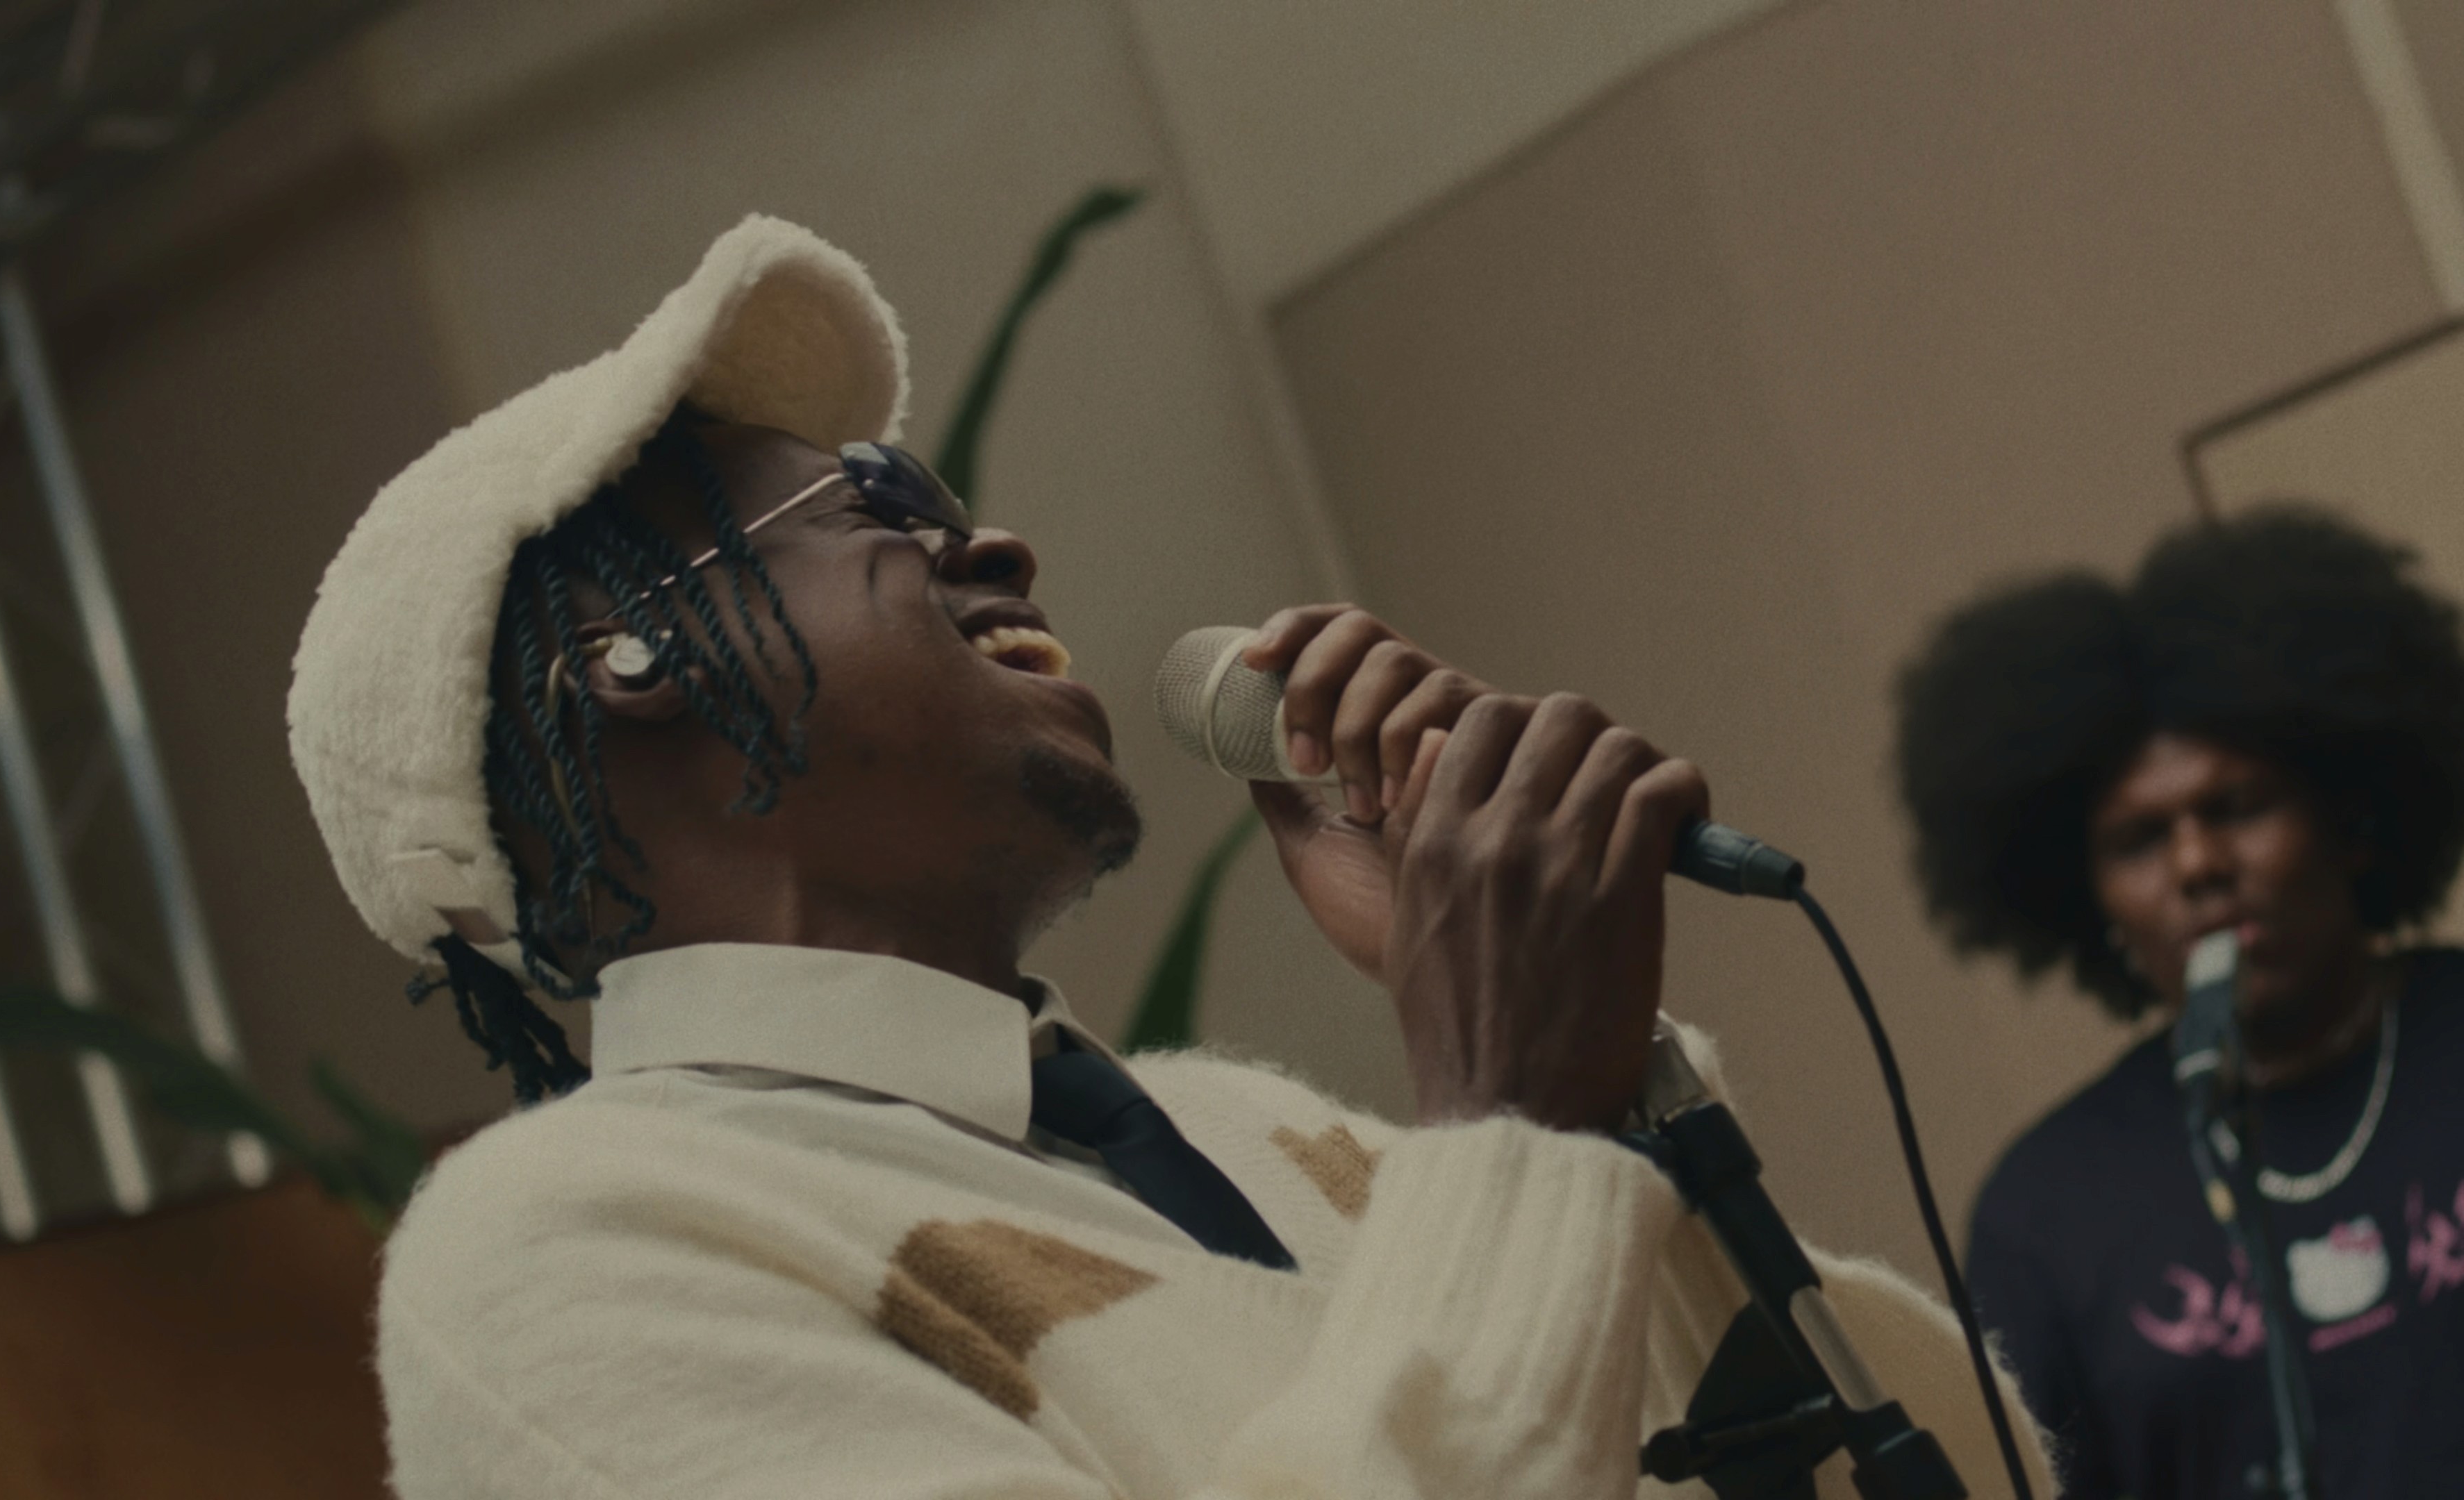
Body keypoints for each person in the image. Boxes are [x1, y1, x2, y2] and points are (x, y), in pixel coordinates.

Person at [290, 215, 2047, 1499]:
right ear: (627, 662)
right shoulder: (564, 1253)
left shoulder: (1252, 1132)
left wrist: (1607, 1093)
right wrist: (1510, 1118)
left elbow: (1963, 1455)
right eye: (874, 504)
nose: (992, 543)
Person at [1895, 507, 2464, 1499]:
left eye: (2236, 807)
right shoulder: (2048, 1209)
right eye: (2141, 840)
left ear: (2351, 820)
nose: (2198, 864)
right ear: (2092, 903)